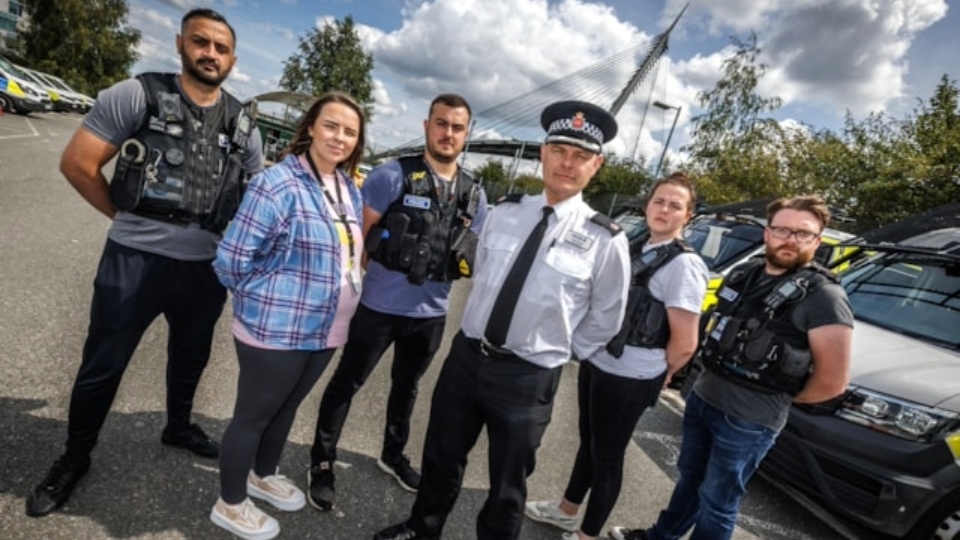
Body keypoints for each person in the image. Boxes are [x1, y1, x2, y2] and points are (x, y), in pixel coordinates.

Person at [26, 8, 263, 518]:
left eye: (221, 49)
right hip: (134, 261)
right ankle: (74, 457)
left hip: (204, 268)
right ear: (180, 44)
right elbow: (78, 163)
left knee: (191, 357)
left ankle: (178, 425)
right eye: (201, 43)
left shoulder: (244, 123)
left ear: (233, 60)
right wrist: (124, 218)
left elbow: (256, 198)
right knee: (102, 365)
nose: (210, 54)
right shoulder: (136, 95)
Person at [373, 100, 632, 540]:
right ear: (544, 153)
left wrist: (553, 348)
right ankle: (423, 528)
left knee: (507, 485)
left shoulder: (606, 240)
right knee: (441, 456)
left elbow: (605, 320)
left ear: (597, 165)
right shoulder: (506, 212)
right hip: (467, 358)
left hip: (528, 378)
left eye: (580, 156)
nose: (567, 163)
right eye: (559, 151)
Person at [609, 195, 854, 540]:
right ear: (767, 234)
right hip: (704, 398)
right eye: (783, 229)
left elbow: (832, 382)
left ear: (817, 240)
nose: (790, 239)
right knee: (691, 480)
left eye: (803, 233)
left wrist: (776, 399)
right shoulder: (744, 274)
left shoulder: (823, 296)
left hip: (750, 420)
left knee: (718, 501)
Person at [306, 93, 488, 510]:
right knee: (347, 383)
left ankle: (392, 454)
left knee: (407, 388)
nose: (448, 133)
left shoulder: (475, 194)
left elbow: (474, 251)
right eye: (441, 123)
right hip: (379, 308)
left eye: (457, 127)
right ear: (427, 126)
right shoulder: (391, 175)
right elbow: (359, 241)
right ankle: (321, 460)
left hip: (432, 315)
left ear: (466, 134)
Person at [209, 91, 366, 540]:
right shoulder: (276, 183)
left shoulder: (348, 188)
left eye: (350, 132)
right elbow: (232, 259)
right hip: (277, 330)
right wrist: (268, 301)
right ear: (311, 127)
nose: (340, 137)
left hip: (327, 328)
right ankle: (231, 503)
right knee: (254, 415)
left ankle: (263, 473)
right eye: (332, 125)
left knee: (287, 407)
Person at [525, 173, 709, 540]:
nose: (664, 210)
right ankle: (567, 511)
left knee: (608, 455)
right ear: (647, 204)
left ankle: (588, 534)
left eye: (676, 205)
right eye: (659, 201)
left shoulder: (684, 266)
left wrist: (662, 372)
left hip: (633, 373)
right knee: (590, 442)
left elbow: (686, 342)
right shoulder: (636, 245)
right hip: (601, 360)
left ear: (687, 216)